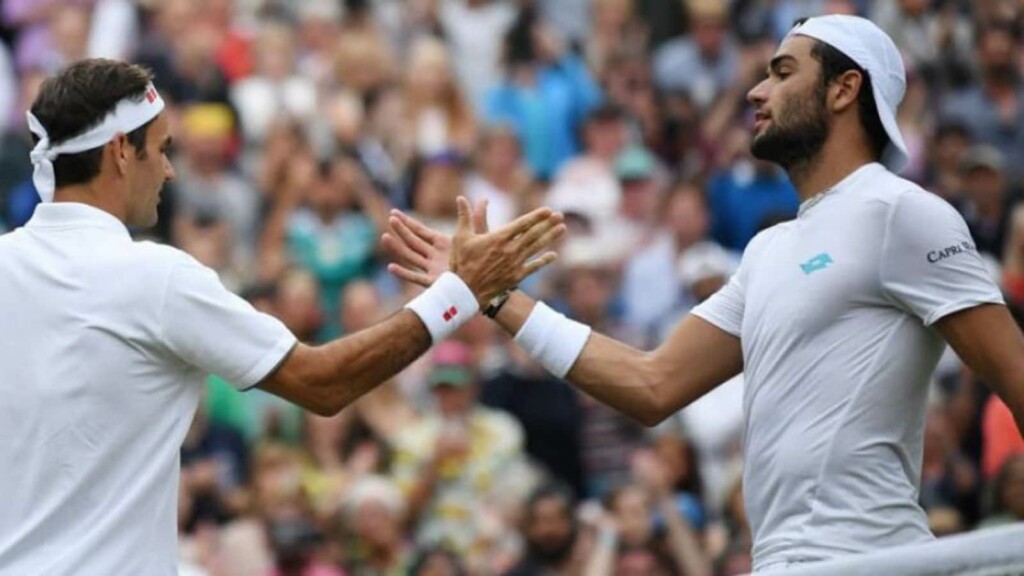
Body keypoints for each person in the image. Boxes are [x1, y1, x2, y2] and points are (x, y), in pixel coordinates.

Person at [383, 15, 1024, 572]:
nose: (756, 89)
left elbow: (1015, 373)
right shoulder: (769, 251)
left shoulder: (904, 213)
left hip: (875, 561)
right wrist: (490, 293)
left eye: (781, 72)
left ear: (844, 89)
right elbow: (651, 383)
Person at [0, 58, 565, 575]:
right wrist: (460, 293)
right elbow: (322, 383)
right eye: (163, 148)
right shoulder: (154, 276)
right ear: (122, 152)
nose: (170, 171)